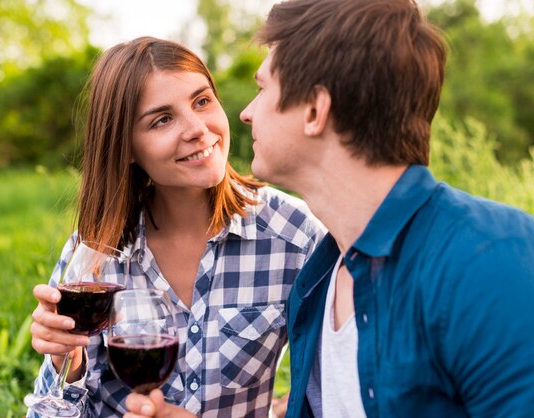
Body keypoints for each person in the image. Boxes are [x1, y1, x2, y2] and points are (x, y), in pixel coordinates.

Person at [241, 0, 534, 417]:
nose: (246, 112)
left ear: (315, 109)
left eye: (262, 89)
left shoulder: (496, 264)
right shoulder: (318, 281)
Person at [26, 36, 325, 418]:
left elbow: (327, 394)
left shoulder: (295, 238)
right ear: (127, 148)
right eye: (162, 119)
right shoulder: (96, 254)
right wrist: (65, 361)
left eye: (202, 101)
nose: (198, 129)